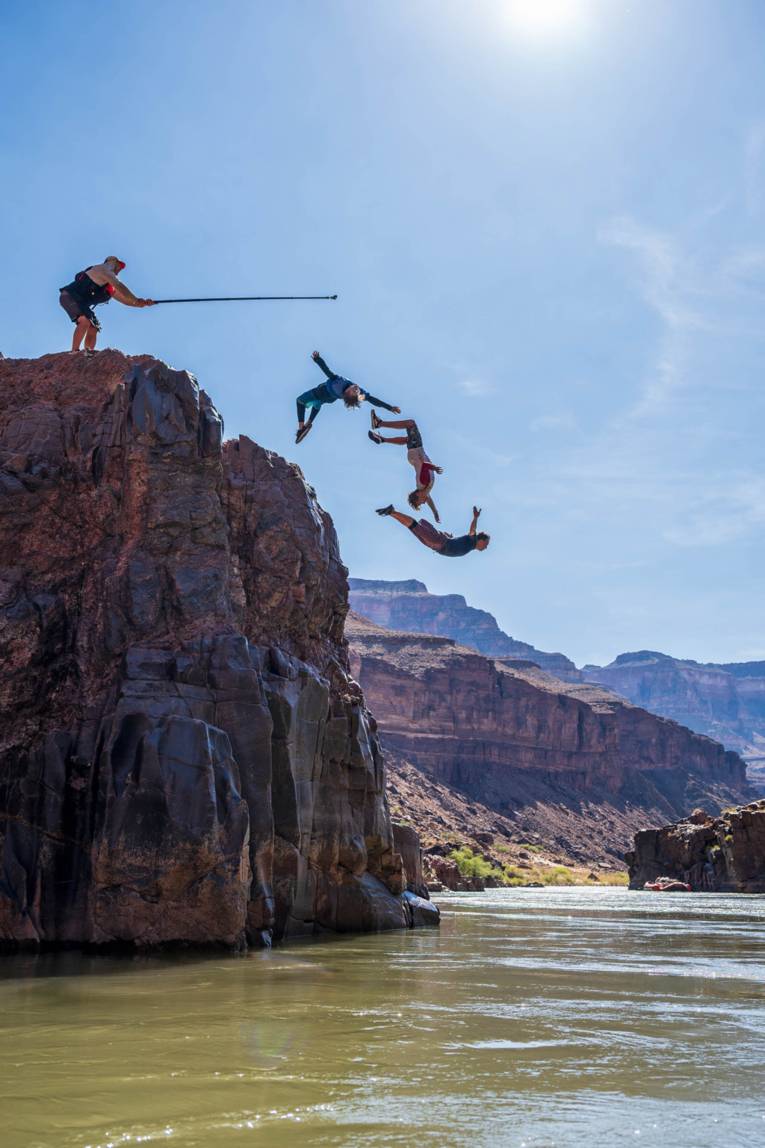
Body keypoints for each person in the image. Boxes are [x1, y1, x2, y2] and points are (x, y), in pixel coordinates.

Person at [295, 351, 401, 443]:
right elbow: (372, 400)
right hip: (329, 398)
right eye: (357, 390)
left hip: (319, 392)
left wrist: (318, 359)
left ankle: (301, 428)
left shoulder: (338, 382)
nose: (357, 388)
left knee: (299, 401)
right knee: (317, 404)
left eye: (354, 391)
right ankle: (308, 424)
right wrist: (390, 407)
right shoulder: (358, 395)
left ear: (347, 392)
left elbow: (327, 371)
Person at [59, 257, 154, 352]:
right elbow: (120, 287)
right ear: (111, 262)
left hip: (80, 302)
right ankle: (74, 351)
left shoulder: (109, 284)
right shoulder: (102, 269)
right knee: (85, 321)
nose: (120, 269)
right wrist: (136, 299)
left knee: (94, 327)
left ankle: (88, 354)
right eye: (119, 265)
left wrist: (142, 303)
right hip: (69, 296)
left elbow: (125, 300)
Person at [368, 413, 443, 521]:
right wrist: (435, 512)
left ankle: (379, 423)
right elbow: (429, 501)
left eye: (420, 502)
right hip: (413, 455)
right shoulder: (425, 491)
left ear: (418, 495)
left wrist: (434, 468)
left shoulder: (423, 482)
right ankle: (382, 439)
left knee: (410, 424)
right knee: (406, 439)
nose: (423, 502)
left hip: (416, 450)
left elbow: (425, 466)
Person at [375, 503, 490, 557]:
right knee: (415, 527)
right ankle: (392, 512)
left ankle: (391, 513)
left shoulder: (469, 545)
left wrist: (450, 537)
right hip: (440, 543)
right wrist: (475, 518)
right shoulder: (472, 540)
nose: (486, 547)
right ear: (481, 539)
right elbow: (472, 529)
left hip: (437, 545)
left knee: (412, 527)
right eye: (486, 544)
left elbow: (456, 542)